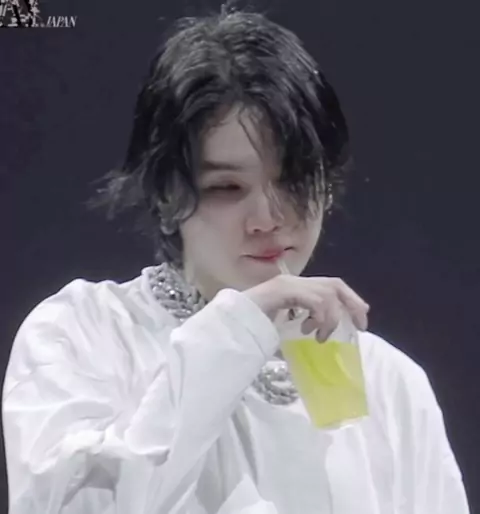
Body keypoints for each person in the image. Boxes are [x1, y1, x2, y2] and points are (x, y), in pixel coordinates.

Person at [2, 6, 470, 514]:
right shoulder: (84, 333)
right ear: (167, 193)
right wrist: (235, 331)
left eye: (294, 180)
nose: (267, 218)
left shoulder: (389, 380)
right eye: (227, 187)